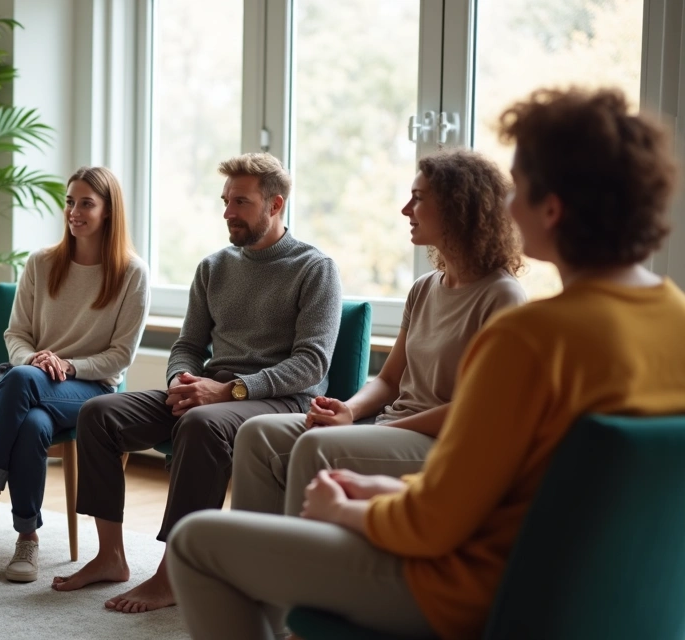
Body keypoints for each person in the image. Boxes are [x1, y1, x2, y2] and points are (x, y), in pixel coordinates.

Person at [166, 87, 685, 640]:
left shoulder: (531, 337)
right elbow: (503, 485)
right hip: (589, 592)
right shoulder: (673, 319)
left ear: (552, 209)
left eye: (519, 188)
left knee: (196, 542)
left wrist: (342, 510)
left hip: (465, 587)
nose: (508, 207)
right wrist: (379, 487)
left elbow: (433, 524)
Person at [53, 153, 343, 612]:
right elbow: (187, 345)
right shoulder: (214, 267)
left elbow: (310, 364)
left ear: (275, 205)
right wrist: (181, 381)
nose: (228, 212)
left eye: (241, 202)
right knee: (99, 414)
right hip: (213, 392)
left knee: (200, 425)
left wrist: (228, 391)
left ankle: (175, 574)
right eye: (225, 201)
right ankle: (110, 556)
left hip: (281, 401)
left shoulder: (314, 268)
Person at [233, 149, 526, 518]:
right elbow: (389, 380)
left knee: (317, 445)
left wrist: (378, 427)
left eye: (418, 198)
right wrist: (349, 410)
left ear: (458, 207)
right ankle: (256, 548)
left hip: (443, 443)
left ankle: (299, 551)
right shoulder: (424, 288)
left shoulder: (502, 296)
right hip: (392, 426)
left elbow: (476, 411)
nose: (405, 210)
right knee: (256, 434)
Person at [0, 167, 150, 583]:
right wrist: (35, 359)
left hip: (89, 388)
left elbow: (119, 357)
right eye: (70, 202)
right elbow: (15, 333)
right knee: (32, 423)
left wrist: (68, 366)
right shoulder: (41, 262)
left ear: (109, 211)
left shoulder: (131, 273)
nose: (74, 211)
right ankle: (28, 538)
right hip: (32, 380)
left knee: (19, 381)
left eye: (86, 203)